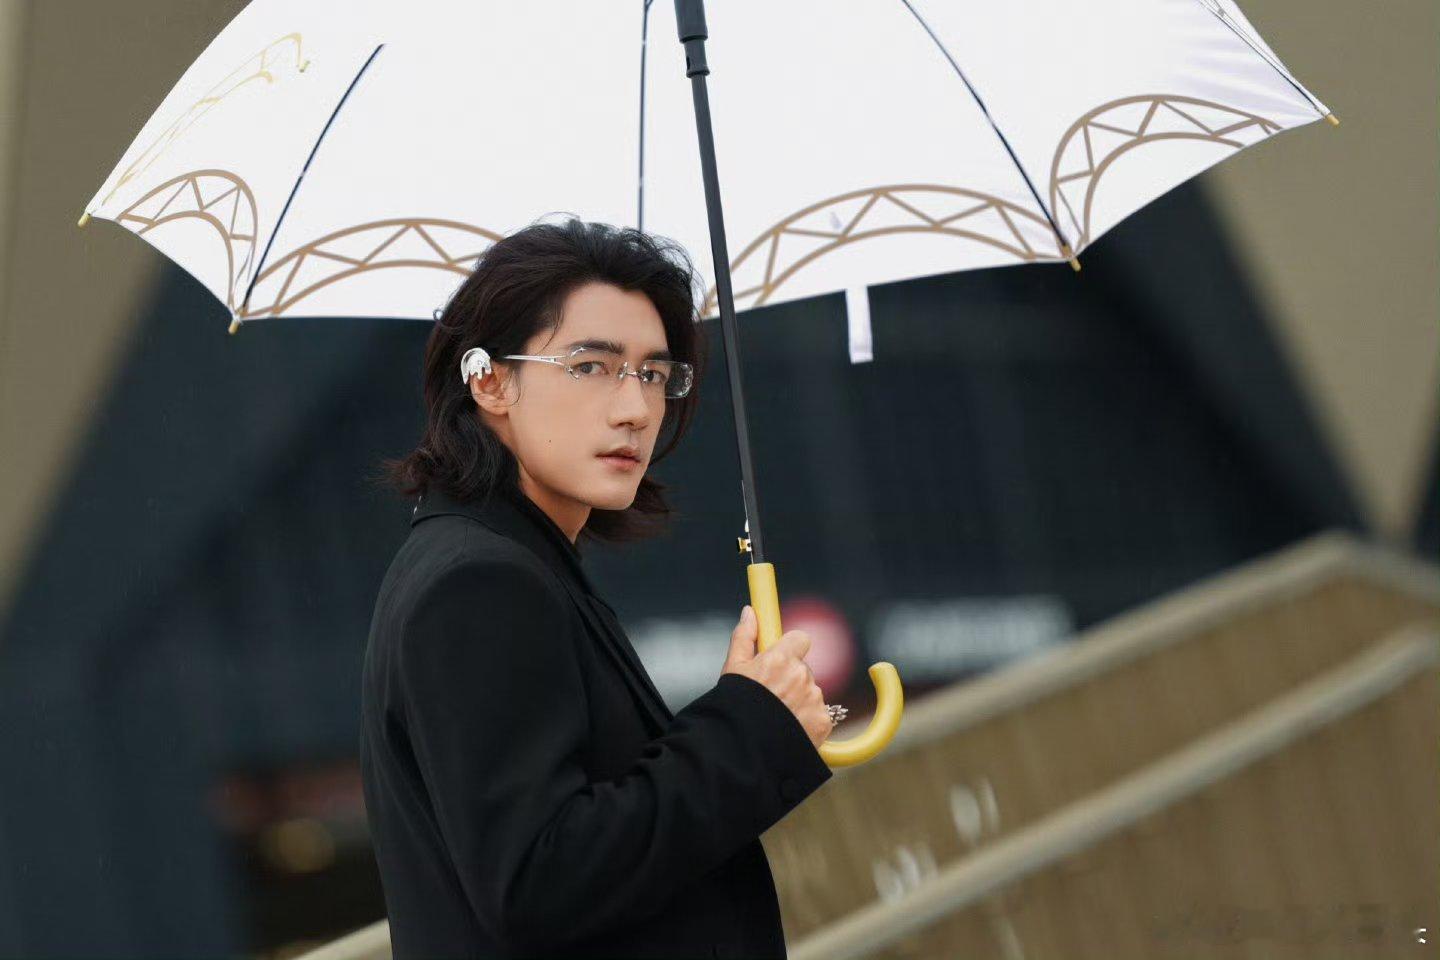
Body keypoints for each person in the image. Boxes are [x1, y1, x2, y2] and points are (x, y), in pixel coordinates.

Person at [360, 216, 837, 959]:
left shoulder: (508, 563)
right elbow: (539, 879)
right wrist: (749, 731)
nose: (636, 409)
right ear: (489, 380)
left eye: (654, 374)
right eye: (590, 366)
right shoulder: (479, 585)